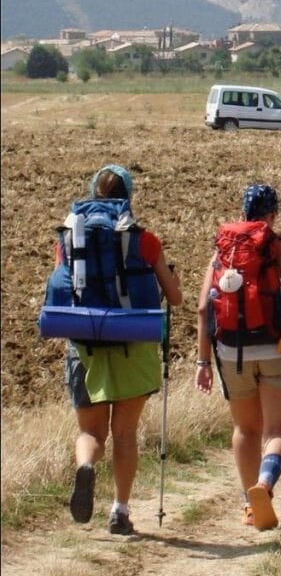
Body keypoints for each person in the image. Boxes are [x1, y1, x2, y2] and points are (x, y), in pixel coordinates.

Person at [61, 164, 182, 534]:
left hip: (85, 345)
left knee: (91, 433)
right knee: (124, 433)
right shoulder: (144, 241)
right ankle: (120, 511)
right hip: (133, 342)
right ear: (128, 198)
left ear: (92, 193)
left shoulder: (72, 238)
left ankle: (86, 465)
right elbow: (175, 297)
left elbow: (65, 287)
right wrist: (171, 280)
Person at [195, 183, 281, 530]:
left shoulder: (222, 252)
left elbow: (204, 308)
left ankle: (250, 506)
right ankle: (264, 485)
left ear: (243, 213)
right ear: (273, 215)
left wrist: (203, 362)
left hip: (231, 351)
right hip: (279, 349)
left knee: (245, 428)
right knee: (278, 430)